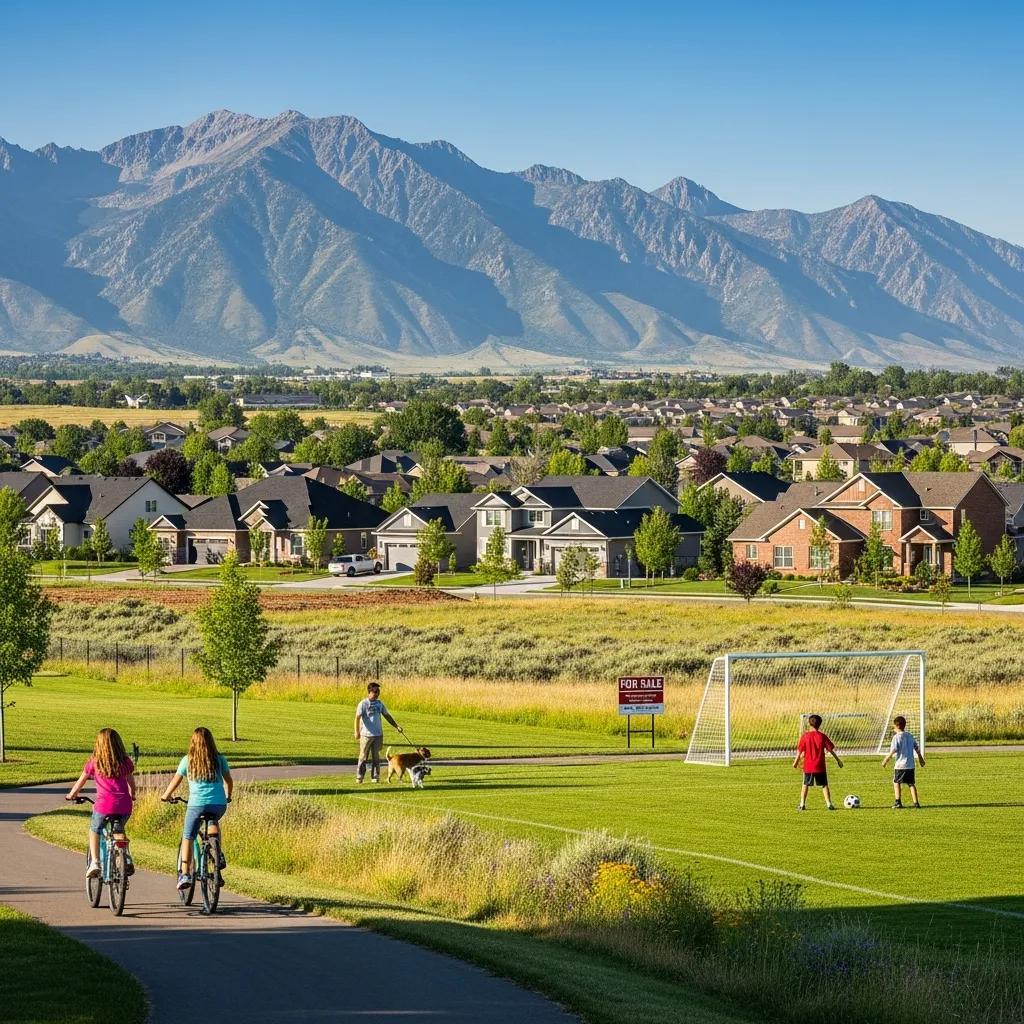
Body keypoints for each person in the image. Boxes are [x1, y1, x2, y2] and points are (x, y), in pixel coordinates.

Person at [161, 727, 233, 891]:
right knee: (213, 822)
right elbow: (229, 781)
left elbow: (175, 781)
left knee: (188, 836)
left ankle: (185, 873)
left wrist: (166, 795)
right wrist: (228, 796)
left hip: (197, 805)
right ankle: (218, 853)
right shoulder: (220, 759)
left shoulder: (188, 760)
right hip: (219, 804)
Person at [66, 728, 136, 878]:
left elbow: (81, 781)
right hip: (124, 806)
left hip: (104, 806)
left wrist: (72, 795)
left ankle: (95, 862)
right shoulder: (125, 762)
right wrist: (133, 794)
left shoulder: (95, 762)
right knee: (118, 830)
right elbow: (131, 782)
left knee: (95, 830)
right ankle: (125, 858)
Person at [354, 681, 403, 783]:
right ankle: (360, 777)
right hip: (366, 735)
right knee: (363, 756)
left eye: (378, 692)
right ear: (370, 692)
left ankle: (375, 777)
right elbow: (357, 718)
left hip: (378, 735)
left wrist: (396, 726)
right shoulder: (363, 704)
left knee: (376, 757)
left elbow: (387, 715)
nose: (377, 694)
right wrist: (357, 732)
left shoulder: (379, 704)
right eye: (375, 692)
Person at [793, 714, 843, 811]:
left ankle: (802, 804)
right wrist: (838, 760)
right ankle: (829, 804)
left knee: (805, 784)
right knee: (824, 785)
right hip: (820, 765)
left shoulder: (805, 736)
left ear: (809, 724)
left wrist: (795, 762)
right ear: (820, 724)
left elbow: (799, 751)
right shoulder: (822, 736)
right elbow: (830, 750)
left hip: (808, 766)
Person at [881, 715, 924, 808]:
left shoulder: (896, 737)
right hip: (910, 765)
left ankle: (898, 802)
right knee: (911, 784)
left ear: (896, 726)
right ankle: (916, 803)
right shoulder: (910, 736)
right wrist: (921, 758)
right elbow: (916, 748)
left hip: (900, 765)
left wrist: (886, 760)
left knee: (896, 782)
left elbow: (893, 750)